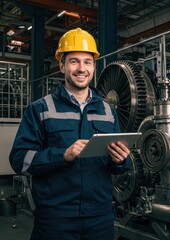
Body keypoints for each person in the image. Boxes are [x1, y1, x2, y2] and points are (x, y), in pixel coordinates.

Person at [9, 28, 131, 240]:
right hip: (56, 219)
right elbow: (19, 159)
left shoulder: (108, 112)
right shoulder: (40, 109)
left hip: (100, 217)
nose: (81, 68)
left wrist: (121, 161)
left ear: (94, 66)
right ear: (62, 65)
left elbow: (117, 167)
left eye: (87, 61)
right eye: (74, 61)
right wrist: (62, 155)